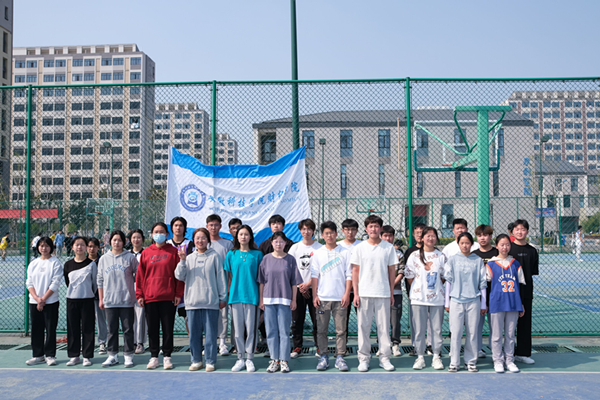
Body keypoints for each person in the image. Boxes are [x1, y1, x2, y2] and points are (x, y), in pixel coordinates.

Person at [175, 228, 227, 372]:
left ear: (208, 240)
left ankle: (210, 360)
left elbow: (220, 278)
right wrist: (182, 261)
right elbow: (179, 276)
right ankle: (196, 360)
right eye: (197, 238)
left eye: (203, 238)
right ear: (193, 240)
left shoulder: (214, 256)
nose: (200, 241)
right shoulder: (189, 258)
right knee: (194, 335)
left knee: (210, 335)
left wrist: (222, 297)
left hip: (211, 302)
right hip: (192, 303)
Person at [350, 215, 397, 372]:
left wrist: (391, 293)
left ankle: (385, 358)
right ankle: (364, 359)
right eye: (371, 226)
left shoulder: (388, 248)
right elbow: (355, 271)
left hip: (383, 293)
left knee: (383, 328)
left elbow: (392, 271)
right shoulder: (359, 248)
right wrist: (356, 294)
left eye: (376, 226)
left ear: (380, 228)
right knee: (363, 327)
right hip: (364, 293)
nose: (374, 229)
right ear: (366, 229)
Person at [136, 222, 184, 370]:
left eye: (162, 231)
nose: (159, 234)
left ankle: (167, 357)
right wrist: (140, 294)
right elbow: (140, 276)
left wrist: (178, 293)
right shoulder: (146, 253)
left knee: (168, 329)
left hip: (168, 297)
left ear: (167, 234)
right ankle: (154, 357)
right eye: (156, 231)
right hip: (150, 297)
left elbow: (179, 275)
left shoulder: (173, 251)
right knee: (152, 329)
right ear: (152, 234)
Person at [258, 231, 303, 373]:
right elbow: (261, 282)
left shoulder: (290, 259)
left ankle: (284, 360)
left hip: (285, 300)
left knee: (284, 331)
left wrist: (294, 300)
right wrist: (261, 300)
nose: (278, 244)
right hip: (268, 300)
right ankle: (274, 360)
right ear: (272, 243)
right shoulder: (265, 259)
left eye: (281, 241)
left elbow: (294, 282)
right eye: (276, 241)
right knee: (271, 331)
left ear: (285, 243)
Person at [311, 221, 352, 372]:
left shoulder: (345, 252)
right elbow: (314, 275)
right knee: (321, 330)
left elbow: (349, 275)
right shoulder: (318, 253)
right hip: (323, 298)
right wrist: (315, 295)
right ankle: (323, 356)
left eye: (332, 233)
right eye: (326, 233)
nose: (329, 236)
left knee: (341, 331)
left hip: (340, 299)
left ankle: (340, 357)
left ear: (336, 234)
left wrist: (347, 294)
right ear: (322, 235)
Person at [444, 232, 487, 373]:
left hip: (473, 301)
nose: (464, 245)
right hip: (456, 301)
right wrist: (447, 302)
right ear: (458, 244)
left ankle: (470, 361)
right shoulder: (452, 259)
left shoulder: (478, 260)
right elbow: (448, 281)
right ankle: (454, 362)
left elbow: (482, 282)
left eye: (467, 243)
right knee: (456, 332)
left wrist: (483, 303)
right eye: (462, 243)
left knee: (472, 333)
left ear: (472, 244)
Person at [405, 227, 446, 371]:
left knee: (437, 330)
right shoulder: (414, 255)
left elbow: (443, 276)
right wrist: (419, 289)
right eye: (427, 236)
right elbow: (409, 276)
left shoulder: (441, 256)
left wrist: (434, 288)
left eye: (433, 236)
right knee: (419, 329)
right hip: (418, 299)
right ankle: (420, 357)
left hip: (437, 299)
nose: (430, 238)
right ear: (422, 238)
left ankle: (436, 357)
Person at [224, 224, 263, 372]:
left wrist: (261, 298)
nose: (243, 237)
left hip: (252, 296)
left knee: (251, 329)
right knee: (238, 331)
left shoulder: (257, 255)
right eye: (241, 234)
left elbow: (261, 278)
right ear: (237, 236)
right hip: (235, 297)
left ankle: (250, 358)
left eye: (246, 234)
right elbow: (230, 276)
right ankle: (240, 358)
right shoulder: (231, 254)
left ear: (250, 236)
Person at [97, 230, 138, 368]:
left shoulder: (130, 257)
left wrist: (134, 293)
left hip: (126, 300)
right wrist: (101, 299)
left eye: (119, 240)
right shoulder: (104, 259)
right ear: (110, 242)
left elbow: (138, 275)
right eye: (114, 240)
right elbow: (100, 280)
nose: (117, 243)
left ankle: (128, 355)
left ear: (124, 242)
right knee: (112, 330)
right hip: (110, 301)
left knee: (128, 329)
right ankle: (112, 355)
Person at [487, 234, 526, 373]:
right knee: (496, 335)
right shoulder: (491, 264)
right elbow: (486, 286)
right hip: (496, 303)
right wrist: (486, 304)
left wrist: (521, 303)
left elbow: (521, 285)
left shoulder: (515, 263)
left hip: (513, 303)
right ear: (496, 246)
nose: (505, 247)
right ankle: (497, 360)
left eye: (507, 244)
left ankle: (509, 360)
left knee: (510, 335)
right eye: (502, 244)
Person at [25, 237, 63, 366]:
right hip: (34, 302)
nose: (44, 248)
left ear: (51, 247)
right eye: (41, 246)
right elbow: (29, 282)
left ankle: (50, 355)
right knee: (36, 328)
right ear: (38, 247)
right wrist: (37, 299)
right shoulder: (33, 263)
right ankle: (38, 355)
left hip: (51, 301)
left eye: (47, 246)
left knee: (50, 328)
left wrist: (44, 299)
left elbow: (55, 283)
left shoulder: (55, 263)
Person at [288, 219, 322, 358]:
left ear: (313, 231)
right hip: (297, 289)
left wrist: (308, 284)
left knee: (317, 320)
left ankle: (320, 346)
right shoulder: (295, 248)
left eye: (309, 229)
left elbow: (322, 270)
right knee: (297, 320)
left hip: (315, 290)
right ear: (300, 231)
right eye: (303, 229)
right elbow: (290, 269)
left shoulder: (320, 248)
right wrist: (300, 286)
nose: (306, 232)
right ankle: (297, 347)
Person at [64, 236, 98, 367]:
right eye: (77, 244)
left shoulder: (91, 264)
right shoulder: (68, 265)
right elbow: (68, 282)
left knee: (88, 328)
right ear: (72, 247)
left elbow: (94, 283)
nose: (79, 247)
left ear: (86, 247)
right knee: (73, 328)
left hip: (87, 300)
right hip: (72, 300)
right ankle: (74, 355)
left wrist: (87, 293)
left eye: (82, 245)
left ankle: (87, 356)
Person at [509, 219, 539, 365]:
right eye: (517, 229)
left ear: (527, 231)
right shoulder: (508, 249)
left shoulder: (532, 251)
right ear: (512, 231)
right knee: (507, 324)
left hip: (526, 291)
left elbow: (532, 271)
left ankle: (523, 353)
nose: (520, 232)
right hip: (508, 291)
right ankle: (507, 353)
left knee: (525, 323)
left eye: (523, 229)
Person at [205, 214, 234, 356]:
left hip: (223, 285)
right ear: (207, 226)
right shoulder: (203, 243)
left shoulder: (227, 244)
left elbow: (231, 267)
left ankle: (222, 343)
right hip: (207, 286)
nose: (213, 227)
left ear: (220, 226)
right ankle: (209, 343)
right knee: (208, 316)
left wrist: (229, 284)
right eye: (211, 225)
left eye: (216, 225)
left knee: (223, 315)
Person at [473, 224, 499, 359]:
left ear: (490, 236)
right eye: (479, 236)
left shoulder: (497, 253)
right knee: (477, 325)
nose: (482, 238)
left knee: (495, 326)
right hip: (478, 295)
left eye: (485, 235)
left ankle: (496, 352)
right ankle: (477, 350)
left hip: (495, 294)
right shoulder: (473, 255)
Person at [338, 218, 362, 347]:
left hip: (360, 289)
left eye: (353, 229)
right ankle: (343, 346)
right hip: (343, 289)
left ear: (357, 231)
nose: (350, 232)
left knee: (363, 320)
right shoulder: (338, 246)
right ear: (342, 230)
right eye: (347, 229)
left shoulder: (362, 245)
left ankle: (363, 346)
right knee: (343, 320)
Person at [403, 223, 426, 356]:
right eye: (417, 233)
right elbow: (408, 274)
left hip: (431, 294)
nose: (419, 235)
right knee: (415, 321)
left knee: (431, 321)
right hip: (416, 293)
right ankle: (415, 346)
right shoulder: (410, 252)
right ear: (413, 234)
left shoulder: (433, 251)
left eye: (422, 233)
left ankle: (430, 345)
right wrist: (410, 291)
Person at [381, 225, 404, 357]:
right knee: (381, 321)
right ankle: (382, 344)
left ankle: (395, 344)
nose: (388, 238)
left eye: (390, 236)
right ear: (381, 236)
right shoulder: (377, 252)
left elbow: (401, 272)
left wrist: (391, 286)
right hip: (380, 293)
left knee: (395, 321)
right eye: (385, 236)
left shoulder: (399, 254)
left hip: (395, 292)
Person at [167, 217, 191, 336]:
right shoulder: (166, 244)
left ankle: (193, 342)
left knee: (188, 317)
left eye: (181, 225)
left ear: (185, 228)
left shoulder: (190, 244)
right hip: (169, 285)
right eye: (176, 225)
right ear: (171, 228)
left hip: (185, 285)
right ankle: (166, 344)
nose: (178, 228)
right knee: (167, 319)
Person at [88, 237, 107, 355]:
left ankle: (102, 343)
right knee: (86, 321)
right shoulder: (83, 261)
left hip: (99, 295)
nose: (92, 249)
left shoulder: (102, 260)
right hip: (85, 296)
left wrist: (102, 295)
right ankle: (86, 343)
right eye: (90, 246)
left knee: (101, 320)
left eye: (94, 246)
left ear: (98, 248)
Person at [129, 229, 147, 354]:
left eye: (138, 237)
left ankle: (140, 342)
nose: (136, 240)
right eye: (134, 237)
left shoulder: (146, 254)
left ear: (142, 239)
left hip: (142, 287)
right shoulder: (126, 255)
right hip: (128, 288)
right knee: (129, 316)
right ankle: (131, 341)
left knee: (140, 316)